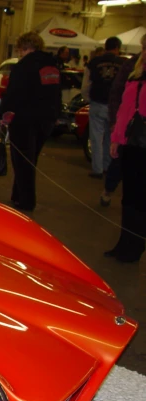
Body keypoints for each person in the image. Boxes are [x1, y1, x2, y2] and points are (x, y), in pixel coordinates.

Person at [0, 32, 61, 212]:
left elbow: (13, 94)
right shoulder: (52, 66)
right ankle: (17, 195)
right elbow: (56, 93)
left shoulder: (23, 67)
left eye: (20, 49)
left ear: (25, 48)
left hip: (24, 119)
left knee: (22, 160)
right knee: (31, 159)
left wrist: (2, 114)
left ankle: (26, 201)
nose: (19, 53)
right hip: (46, 120)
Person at [105, 39, 146, 263]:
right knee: (129, 197)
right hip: (131, 142)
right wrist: (116, 139)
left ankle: (135, 246)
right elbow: (124, 109)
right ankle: (125, 243)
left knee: (141, 198)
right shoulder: (134, 74)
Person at [101, 40, 143, 206]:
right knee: (118, 164)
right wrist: (116, 129)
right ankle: (108, 190)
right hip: (131, 132)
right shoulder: (131, 68)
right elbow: (119, 96)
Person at [82, 37, 123, 180]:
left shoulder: (93, 63)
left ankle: (97, 169)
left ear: (105, 47)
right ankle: (107, 166)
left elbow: (86, 84)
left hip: (97, 103)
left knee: (96, 137)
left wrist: (88, 99)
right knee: (111, 138)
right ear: (117, 48)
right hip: (115, 106)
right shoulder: (122, 64)